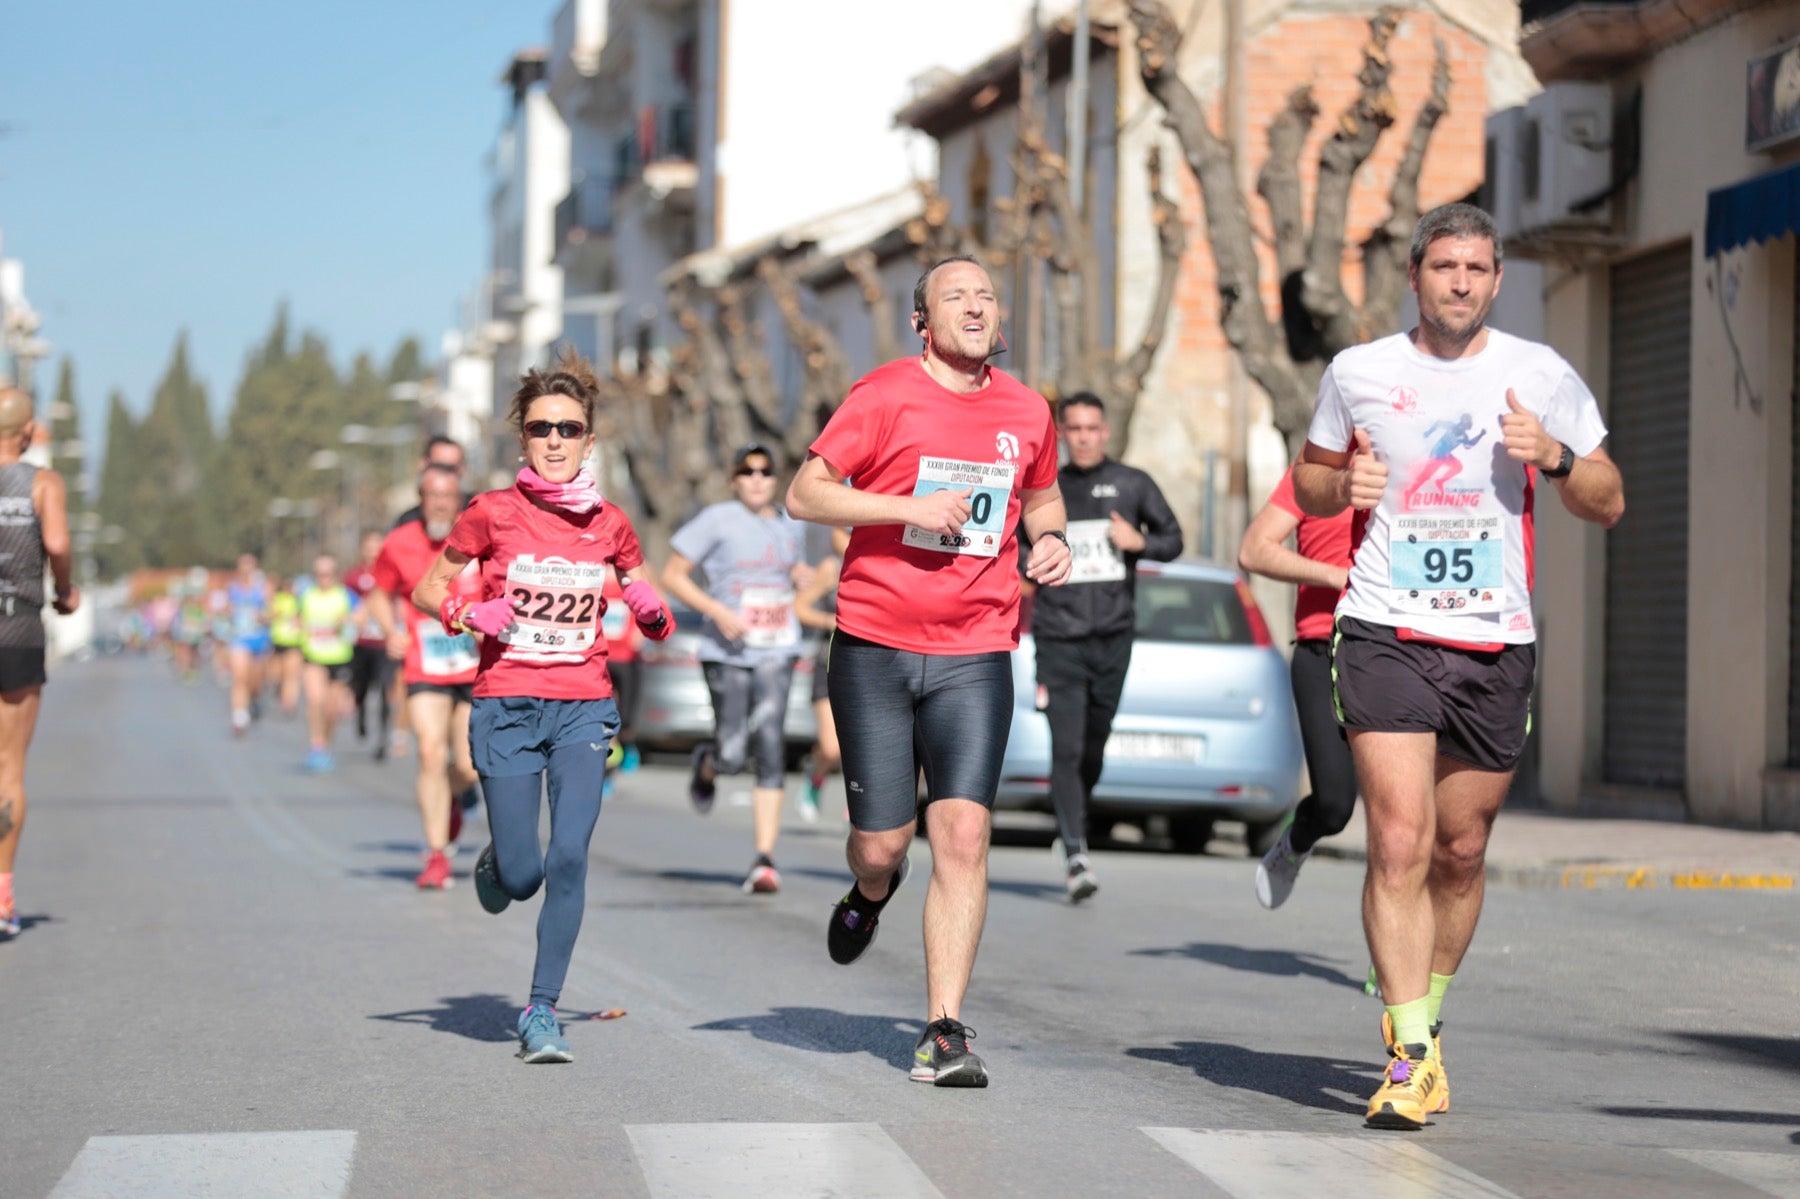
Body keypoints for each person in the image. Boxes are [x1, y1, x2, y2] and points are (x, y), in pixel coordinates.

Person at [1292, 202, 1624, 1130]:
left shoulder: (1539, 373)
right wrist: (1340, 484)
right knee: (1398, 839)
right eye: (1445, 267)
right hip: (1384, 627)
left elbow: (1609, 498)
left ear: (1497, 279)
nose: (1462, 282)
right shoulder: (1360, 371)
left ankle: (1422, 1021)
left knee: (1460, 850)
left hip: (1494, 637)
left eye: (1477, 268)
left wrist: (1554, 456)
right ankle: (1407, 1056)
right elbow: (1311, 475)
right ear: (1415, 274)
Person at [787, 255, 1071, 1087]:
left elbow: (1044, 496)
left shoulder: (1027, 408)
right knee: (882, 843)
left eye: (986, 293)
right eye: (956, 296)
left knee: (964, 834)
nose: (976, 305)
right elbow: (807, 493)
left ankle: (943, 1027)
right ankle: (870, 892)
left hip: (976, 648)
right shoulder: (882, 396)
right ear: (922, 322)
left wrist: (1050, 538)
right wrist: (905, 506)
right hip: (875, 642)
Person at [412, 348, 675, 1065]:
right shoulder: (491, 513)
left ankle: (541, 1009)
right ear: (522, 438)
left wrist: (651, 608)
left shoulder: (613, 524)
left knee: (568, 856)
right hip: (506, 707)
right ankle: (500, 859)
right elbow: (428, 590)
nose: (555, 440)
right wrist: (471, 613)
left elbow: (646, 601)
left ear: (590, 440)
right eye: (540, 428)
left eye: (569, 427)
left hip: (583, 708)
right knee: (524, 872)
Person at [1028, 393, 1182, 902]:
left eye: (1093, 428)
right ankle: (1075, 852)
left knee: (1095, 742)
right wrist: (1027, 567)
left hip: (1113, 635)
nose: (1085, 437)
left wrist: (1139, 544)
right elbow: (1014, 544)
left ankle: (1074, 820)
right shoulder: (1044, 488)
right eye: (1075, 428)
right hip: (1058, 638)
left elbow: (1173, 538)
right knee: (1067, 746)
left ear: (1105, 432)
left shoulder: (1133, 483)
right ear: (1063, 434)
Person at [662, 443, 809, 894]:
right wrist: (718, 612)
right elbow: (671, 575)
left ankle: (764, 859)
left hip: (775, 649)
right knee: (732, 752)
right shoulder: (716, 519)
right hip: (725, 649)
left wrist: (804, 577)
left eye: (766, 471)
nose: (758, 479)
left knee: (769, 743)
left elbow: (792, 571)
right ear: (734, 478)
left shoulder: (790, 525)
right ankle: (708, 763)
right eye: (748, 471)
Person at [1238, 467, 1357, 908]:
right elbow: (1253, 550)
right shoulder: (1315, 473)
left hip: (1400, 651)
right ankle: (1295, 843)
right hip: (1323, 646)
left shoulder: (1417, 465)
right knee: (1335, 806)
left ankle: (1393, 969)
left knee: (1400, 824)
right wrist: (1336, 576)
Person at [368, 465, 483, 890]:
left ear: (458, 499)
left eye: (447, 495)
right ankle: (437, 855)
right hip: (424, 664)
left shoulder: (478, 538)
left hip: (473, 665)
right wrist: (390, 630)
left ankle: (451, 797)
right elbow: (379, 592)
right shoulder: (399, 543)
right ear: (420, 498)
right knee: (431, 754)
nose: (439, 502)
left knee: (470, 766)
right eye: (431, 494)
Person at [0, 389, 77, 939]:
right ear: (28, 432)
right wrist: (65, 590)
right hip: (17, 624)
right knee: (8, 769)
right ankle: (1, 894)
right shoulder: (41, 483)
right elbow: (55, 541)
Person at [793, 527, 852, 822]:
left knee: (859, 746)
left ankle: (857, 806)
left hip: (868, 667)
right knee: (831, 747)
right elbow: (799, 607)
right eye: (844, 532)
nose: (847, 539)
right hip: (828, 662)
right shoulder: (832, 567)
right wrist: (832, 620)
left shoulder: (887, 564)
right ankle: (815, 774)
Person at [298, 554, 359, 773]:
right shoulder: (306, 595)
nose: (323, 578)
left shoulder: (346, 596)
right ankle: (317, 745)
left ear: (335, 575)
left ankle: (325, 743)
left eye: (327, 574)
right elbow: (296, 618)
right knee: (315, 701)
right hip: (313, 655)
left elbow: (361, 617)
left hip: (339, 657)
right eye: (318, 574)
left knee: (332, 710)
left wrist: (349, 621)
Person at [347, 531, 398, 759]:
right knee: (361, 687)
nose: (373, 551)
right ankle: (360, 713)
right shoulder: (354, 576)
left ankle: (383, 738)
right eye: (369, 546)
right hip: (362, 641)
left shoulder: (392, 572)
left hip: (384, 642)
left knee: (386, 688)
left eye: (378, 546)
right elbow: (346, 604)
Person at [225, 553, 273, 736]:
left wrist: (264, 615)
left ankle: (255, 699)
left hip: (259, 639)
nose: (246, 569)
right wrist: (228, 612)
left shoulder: (263, 588)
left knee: (255, 681)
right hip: (239, 638)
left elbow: (272, 611)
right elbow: (226, 609)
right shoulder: (232, 587)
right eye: (243, 565)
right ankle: (239, 716)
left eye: (249, 566)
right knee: (239, 677)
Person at [391, 436, 471, 528]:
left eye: (452, 468)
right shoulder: (407, 523)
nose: (445, 475)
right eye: (439, 466)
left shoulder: (478, 514)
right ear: (423, 465)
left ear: (463, 469)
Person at [268, 578, 304, 716]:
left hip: (295, 642)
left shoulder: (300, 601)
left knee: (292, 674)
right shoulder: (278, 599)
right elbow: (270, 614)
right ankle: (280, 688)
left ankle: (290, 703)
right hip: (278, 640)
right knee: (278, 674)